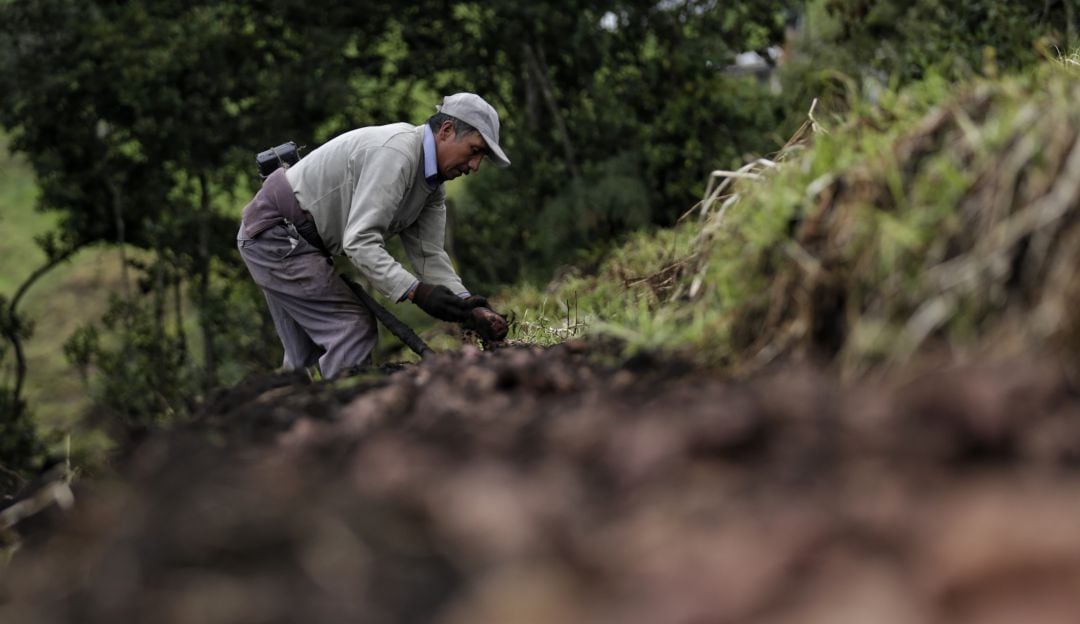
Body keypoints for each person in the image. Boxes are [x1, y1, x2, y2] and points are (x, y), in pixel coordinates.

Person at [237, 92, 510, 379]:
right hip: (276, 235)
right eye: (474, 150)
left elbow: (429, 256)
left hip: (289, 238)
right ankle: (346, 414)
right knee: (350, 327)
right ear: (446, 131)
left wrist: (468, 307)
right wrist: (416, 291)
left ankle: (290, 416)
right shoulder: (398, 155)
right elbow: (360, 242)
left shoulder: (431, 187)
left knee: (300, 358)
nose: (474, 166)